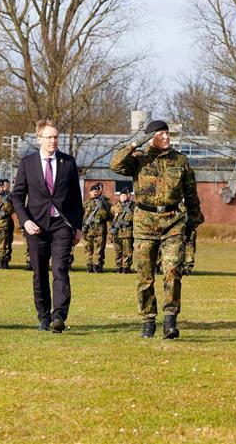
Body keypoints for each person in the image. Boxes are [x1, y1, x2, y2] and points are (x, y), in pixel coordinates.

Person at [110, 120, 203, 339]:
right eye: (161, 134)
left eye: (167, 133)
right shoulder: (138, 159)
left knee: (172, 270)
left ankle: (170, 319)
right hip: (145, 222)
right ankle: (148, 320)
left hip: (172, 222)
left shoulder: (180, 160)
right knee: (145, 275)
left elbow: (191, 192)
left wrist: (194, 218)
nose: (166, 137)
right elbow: (114, 165)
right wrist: (136, 143)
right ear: (150, 137)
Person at [12, 119, 83, 333]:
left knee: (60, 269)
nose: (53, 141)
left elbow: (76, 198)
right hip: (36, 226)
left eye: (56, 137)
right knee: (39, 272)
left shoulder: (68, 162)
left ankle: (59, 316)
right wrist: (25, 221)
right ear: (39, 139)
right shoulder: (27, 163)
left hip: (62, 224)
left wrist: (77, 227)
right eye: (49, 137)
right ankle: (43, 316)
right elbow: (17, 196)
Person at [82, 182, 112, 273]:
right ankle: (89, 265)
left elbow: (106, 216)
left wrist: (101, 206)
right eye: (93, 191)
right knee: (88, 248)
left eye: (96, 191)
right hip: (88, 229)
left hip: (99, 229)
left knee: (99, 248)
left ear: (99, 192)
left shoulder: (104, 203)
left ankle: (97, 265)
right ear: (90, 193)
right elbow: (81, 216)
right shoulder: (86, 203)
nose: (94, 193)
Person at [0, 179, 15, 269]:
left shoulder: (7, 197)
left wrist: (4, 204)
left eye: (0, 187)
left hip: (4, 225)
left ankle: (3, 262)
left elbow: (10, 209)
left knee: (4, 246)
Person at [110, 187, 135, 273]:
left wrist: (129, 211)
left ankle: (126, 268)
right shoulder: (115, 207)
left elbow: (136, 218)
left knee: (127, 251)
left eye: (125, 195)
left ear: (129, 195)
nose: (123, 197)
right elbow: (110, 219)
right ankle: (118, 267)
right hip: (117, 232)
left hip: (127, 232)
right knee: (118, 251)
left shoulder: (133, 206)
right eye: (122, 195)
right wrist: (111, 230)